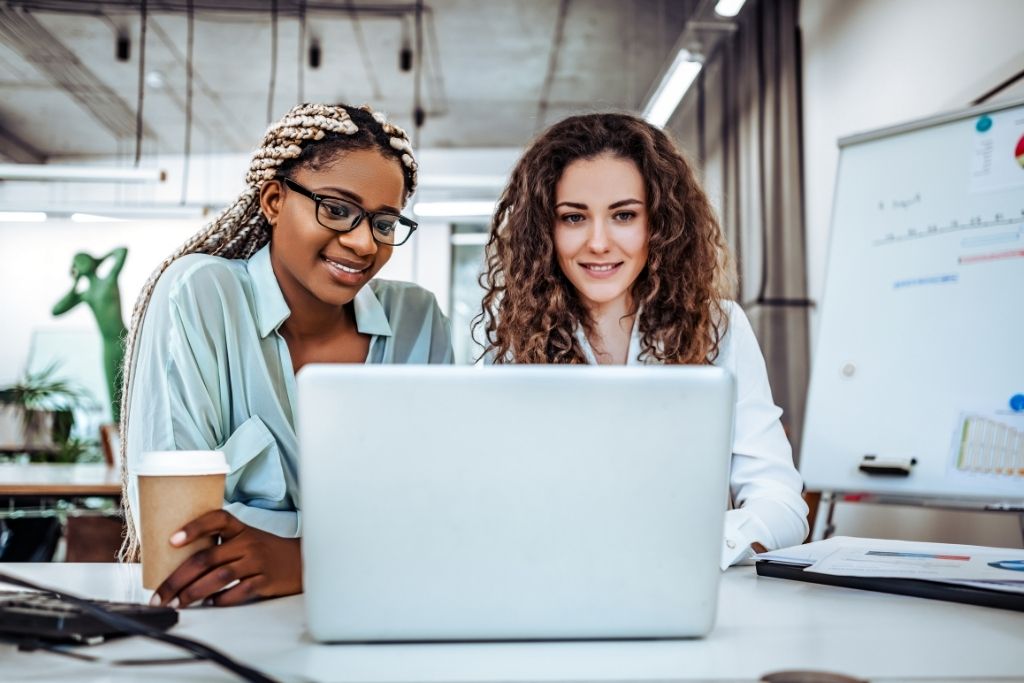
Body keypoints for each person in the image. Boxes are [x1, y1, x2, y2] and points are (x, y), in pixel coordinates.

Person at [119, 103, 453, 607]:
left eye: (384, 223)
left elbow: (442, 520)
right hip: (227, 625)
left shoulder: (417, 320)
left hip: (385, 614)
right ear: (274, 200)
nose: (364, 243)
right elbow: (180, 546)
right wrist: (361, 550)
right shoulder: (200, 295)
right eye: (336, 209)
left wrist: (302, 561)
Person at [475, 112, 808, 566]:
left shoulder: (719, 327)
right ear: (545, 232)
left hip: (687, 585)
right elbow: (487, 500)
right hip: (557, 581)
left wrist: (699, 546)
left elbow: (782, 503)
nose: (598, 242)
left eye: (624, 215)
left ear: (660, 223)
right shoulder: (513, 342)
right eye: (573, 217)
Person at [52, 247, 128, 422]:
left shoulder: (109, 280)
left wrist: (99, 258)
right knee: (113, 394)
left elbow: (122, 251)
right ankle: (118, 435)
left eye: (80, 261)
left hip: (123, 340)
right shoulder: (87, 294)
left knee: (129, 388)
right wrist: (75, 283)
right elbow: (56, 310)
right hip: (108, 346)